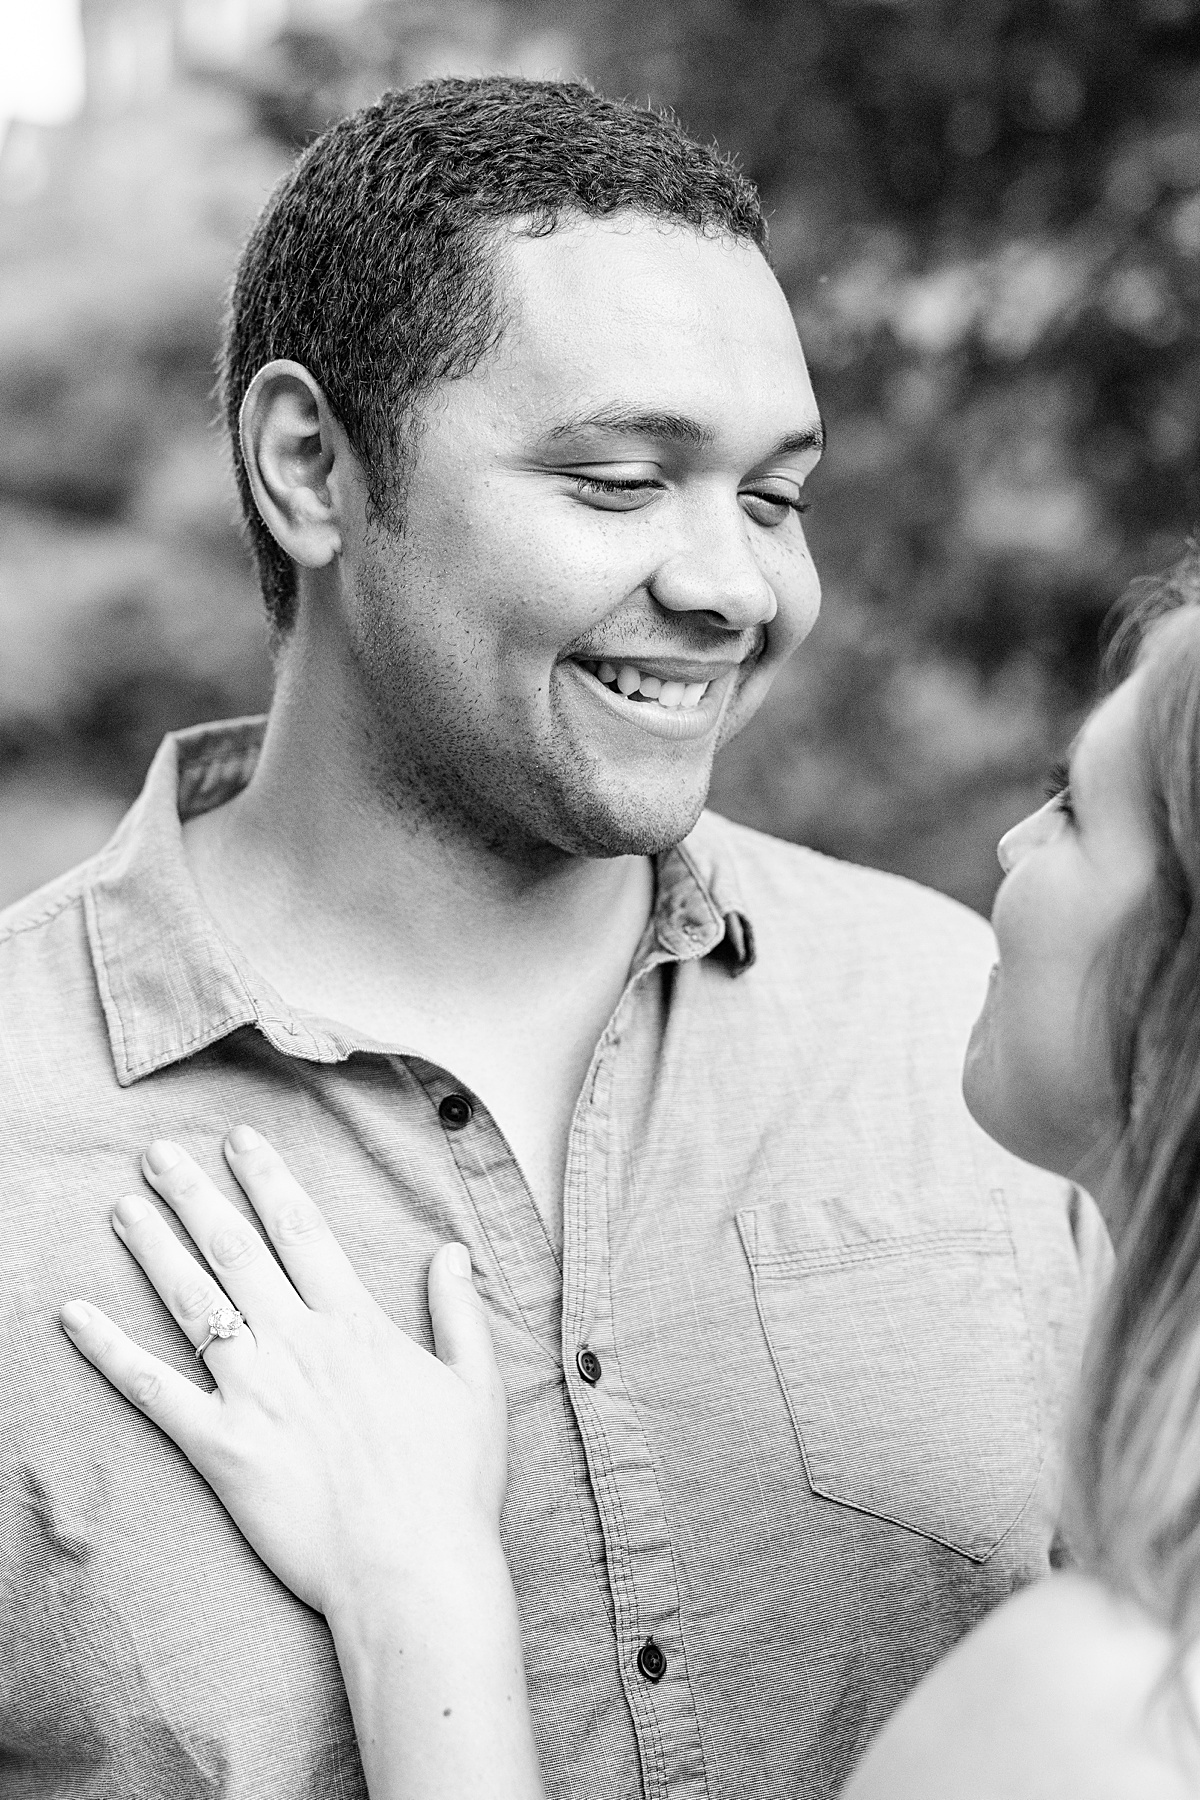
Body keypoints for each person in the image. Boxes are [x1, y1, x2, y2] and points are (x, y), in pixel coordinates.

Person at [0, 77, 1107, 1800]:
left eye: (773, 496)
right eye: (618, 481)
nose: (738, 588)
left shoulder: (972, 1028)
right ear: (312, 468)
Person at [60, 549, 1200, 1797]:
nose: (1010, 842)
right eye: (611, 480)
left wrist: (419, 1600)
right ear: (304, 464)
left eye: (1078, 811)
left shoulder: (1092, 1702)